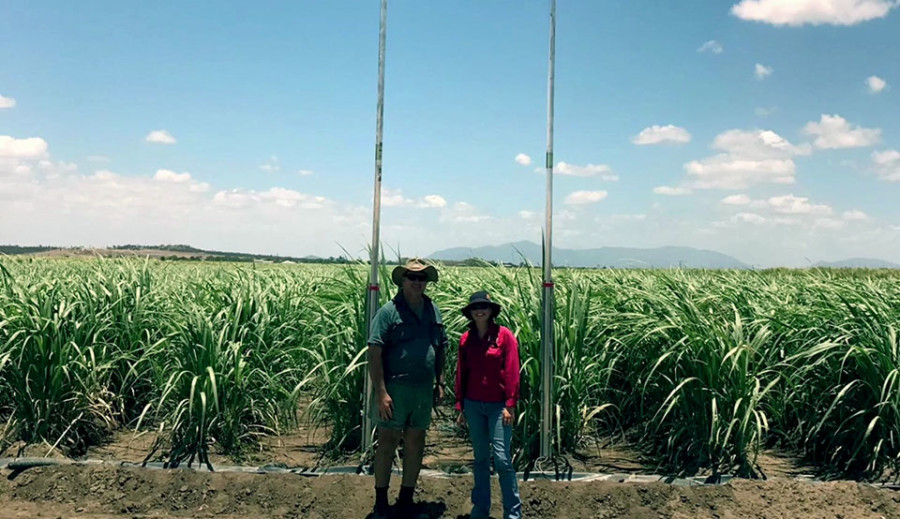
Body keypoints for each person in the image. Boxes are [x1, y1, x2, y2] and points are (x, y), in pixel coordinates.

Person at [367, 258, 448, 519]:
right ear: (403, 280)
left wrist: (441, 382)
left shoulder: (433, 310)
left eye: (422, 278)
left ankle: (405, 500)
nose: (417, 282)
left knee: (416, 442)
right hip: (394, 388)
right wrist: (381, 392)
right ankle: (381, 503)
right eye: (412, 277)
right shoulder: (389, 312)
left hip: (423, 390)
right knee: (387, 442)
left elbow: (441, 348)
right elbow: (374, 351)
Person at [455, 291, 522, 519]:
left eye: (484, 306)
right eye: (475, 307)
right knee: (480, 458)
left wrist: (510, 404)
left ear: (491, 310)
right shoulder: (466, 339)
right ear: (470, 312)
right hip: (473, 405)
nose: (479, 310)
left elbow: (513, 370)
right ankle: (480, 509)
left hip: (498, 407)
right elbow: (461, 373)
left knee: (502, 459)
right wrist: (460, 406)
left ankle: (512, 513)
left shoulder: (505, 337)